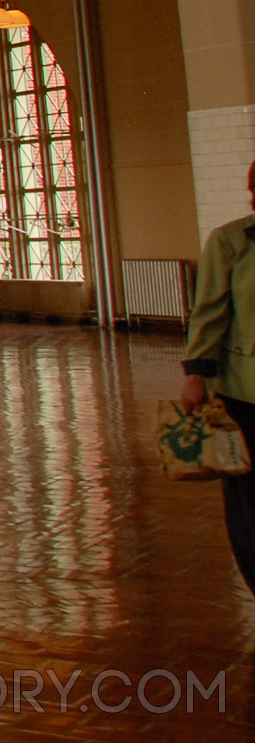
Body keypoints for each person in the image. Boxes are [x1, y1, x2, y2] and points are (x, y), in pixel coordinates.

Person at [181, 157, 255, 599]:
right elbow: (208, 312)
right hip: (245, 393)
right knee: (249, 502)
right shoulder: (231, 242)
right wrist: (196, 374)